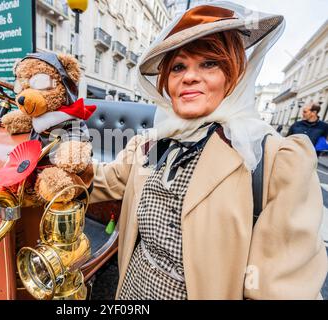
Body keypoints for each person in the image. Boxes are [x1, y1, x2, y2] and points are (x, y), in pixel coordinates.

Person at [90, 3, 327, 300]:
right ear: (167, 82)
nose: (189, 77)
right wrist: (48, 164)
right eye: (178, 66)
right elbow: (105, 181)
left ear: (233, 74)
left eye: (209, 63)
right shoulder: (152, 143)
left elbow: (282, 290)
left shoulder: (275, 161)